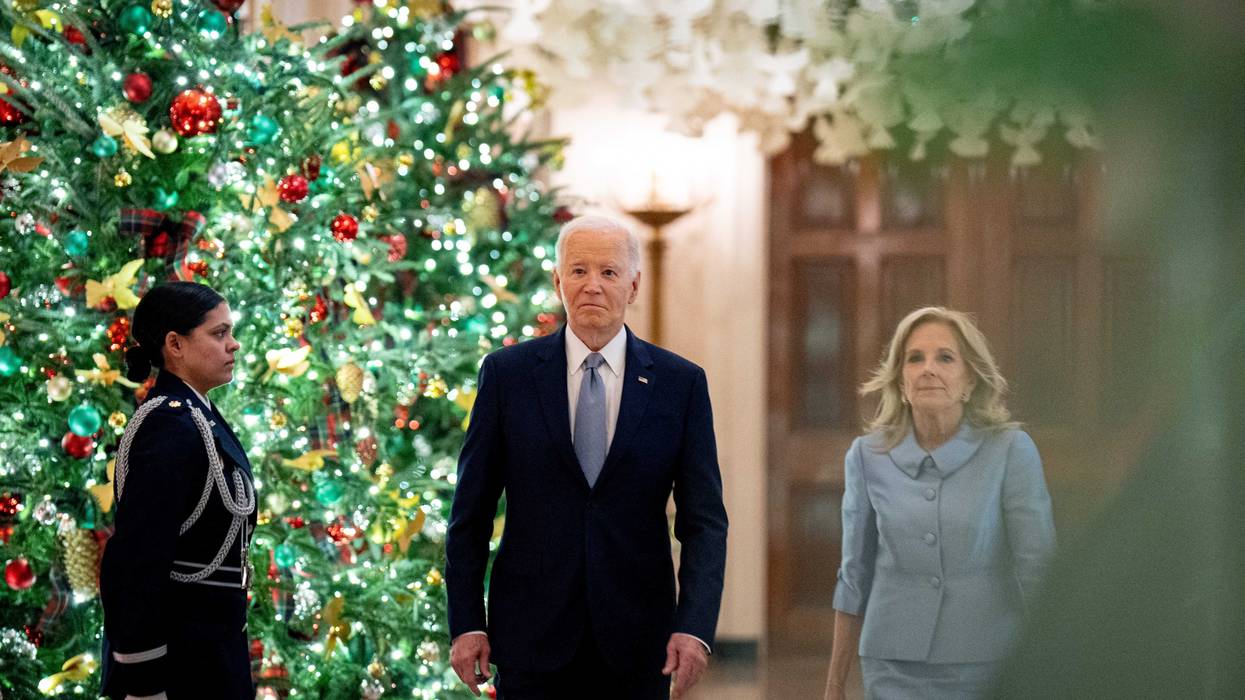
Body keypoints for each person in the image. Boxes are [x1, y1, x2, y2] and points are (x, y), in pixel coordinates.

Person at [445, 215, 729, 699]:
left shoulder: (680, 384)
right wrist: (467, 622)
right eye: (578, 271)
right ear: (558, 282)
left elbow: (704, 522)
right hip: (531, 638)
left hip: (640, 642)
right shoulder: (508, 376)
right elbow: (469, 514)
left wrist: (695, 626)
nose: (592, 286)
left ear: (634, 285)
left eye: (609, 272)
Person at [823, 306, 1056, 700]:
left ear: (969, 381)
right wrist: (834, 685)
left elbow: (1039, 569)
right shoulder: (866, 456)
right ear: (900, 379)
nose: (928, 368)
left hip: (987, 661)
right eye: (915, 358)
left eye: (945, 357)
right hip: (890, 663)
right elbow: (853, 575)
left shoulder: (1010, 450)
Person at [99, 282, 255, 700]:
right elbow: (135, 564)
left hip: (211, 655)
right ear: (175, 344)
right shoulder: (168, 425)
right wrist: (145, 684)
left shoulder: (196, 417)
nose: (234, 345)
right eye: (219, 333)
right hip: (179, 667)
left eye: (231, 332)